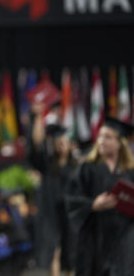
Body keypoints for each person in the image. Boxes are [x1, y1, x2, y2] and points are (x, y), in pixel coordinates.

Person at [66, 116, 134, 276]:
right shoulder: (87, 168)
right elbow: (71, 200)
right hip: (95, 239)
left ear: (120, 143)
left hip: (125, 240)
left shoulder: (130, 171)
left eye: (108, 137)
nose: (101, 141)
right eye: (100, 136)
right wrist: (92, 205)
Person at [29, 103, 77, 276]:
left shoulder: (76, 166)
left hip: (71, 214)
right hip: (51, 214)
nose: (62, 145)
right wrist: (38, 117)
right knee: (54, 251)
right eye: (59, 142)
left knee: (72, 254)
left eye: (65, 142)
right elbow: (37, 143)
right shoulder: (48, 164)